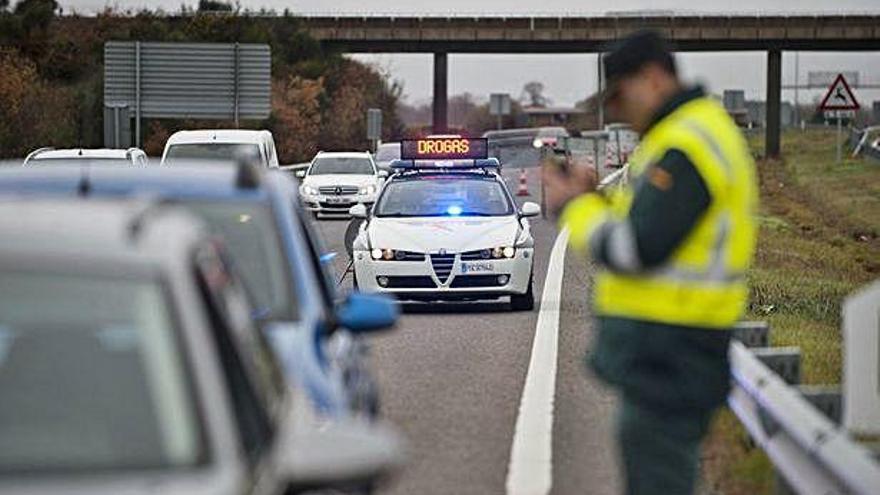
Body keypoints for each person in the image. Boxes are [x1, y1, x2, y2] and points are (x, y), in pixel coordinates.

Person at [543, 31, 758, 495]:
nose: (616, 111)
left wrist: (572, 209)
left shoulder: (689, 144)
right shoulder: (684, 137)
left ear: (654, 78)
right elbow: (654, 231)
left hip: (672, 352)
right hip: (670, 352)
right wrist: (593, 199)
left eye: (619, 96)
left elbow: (636, 249)